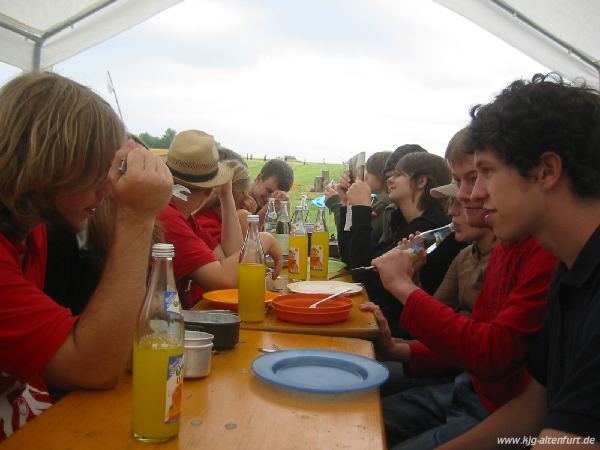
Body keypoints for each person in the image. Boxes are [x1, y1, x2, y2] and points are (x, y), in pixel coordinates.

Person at [0, 72, 172, 441]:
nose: (108, 188)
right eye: (98, 169)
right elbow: (93, 366)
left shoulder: (33, 230)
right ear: (52, 160)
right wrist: (138, 217)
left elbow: (116, 346)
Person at [368, 125, 559, 448]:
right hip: (465, 387)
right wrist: (398, 347)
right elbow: (469, 340)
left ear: (545, 173)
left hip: (485, 409)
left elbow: (492, 353)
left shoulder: (550, 254)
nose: (465, 198)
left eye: (482, 175)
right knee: (358, 420)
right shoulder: (501, 248)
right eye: (461, 183)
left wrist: (404, 287)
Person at [440, 74, 600, 449]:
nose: (475, 194)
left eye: (488, 172)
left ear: (546, 171)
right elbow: (536, 407)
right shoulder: (571, 269)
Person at [338, 152, 465, 335]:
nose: (390, 180)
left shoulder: (429, 232)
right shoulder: (404, 224)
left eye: (398, 175)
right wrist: (347, 206)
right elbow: (351, 262)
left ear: (421, 181)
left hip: (405, 337)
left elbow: (363, 274)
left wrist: (361, 208)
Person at [157, 130, 282, 308]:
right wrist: (263, 240)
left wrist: (226, 196)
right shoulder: (168, 217)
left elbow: (232, 257)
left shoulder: (181, 215)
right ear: (209, 189)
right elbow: (226, 281)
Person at [324, 151, 391, 243]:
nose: (366, 177)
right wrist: (347, 200)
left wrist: (336, 204)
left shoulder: (384, 206)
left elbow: (351, 241)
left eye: (371, 172)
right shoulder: (378, 202)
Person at [193, 158, 255, 243]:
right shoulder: (207, 222)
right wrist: (245, 221)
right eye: (246, 193)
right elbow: (236, 254)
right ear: (241, 196)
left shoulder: (211, 217)